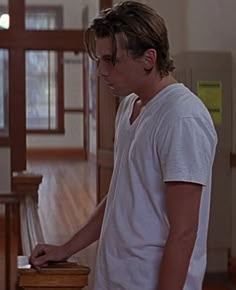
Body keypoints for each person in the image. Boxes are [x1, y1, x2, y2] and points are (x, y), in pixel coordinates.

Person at [30, 1, 217, 290]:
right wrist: (67, 248)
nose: (100, 72)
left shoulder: (181, 117)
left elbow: (184, 232)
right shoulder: (131, 104)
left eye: (111, 60)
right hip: (116, 278)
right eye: (99, 60)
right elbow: (120, 196)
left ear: (149, 59)